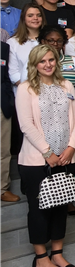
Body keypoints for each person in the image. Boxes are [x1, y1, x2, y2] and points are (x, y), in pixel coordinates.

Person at [16, 44, 75, 267]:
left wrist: (71, 147)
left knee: (61, 206)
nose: (48, 64)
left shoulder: (66, 84)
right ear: (34, 64)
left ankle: (58, 254)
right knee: (39, 209)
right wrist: (47, 152)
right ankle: (41, 258)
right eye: (42, 61)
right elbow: (26, 125)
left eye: (51, 60)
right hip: (36, 161)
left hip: (66, 158)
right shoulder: (25, 88)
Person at [39, 25, 75, 214]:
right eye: (50, 40)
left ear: (64, 43)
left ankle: (67, 198)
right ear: (43, 41)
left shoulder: (72, 61)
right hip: (45, 115)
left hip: (71, 112)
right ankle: (46, 196)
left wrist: (66, 102)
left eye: (59, 40)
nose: (55, 43)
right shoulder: (36, 61)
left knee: (70, 155)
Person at [9, 4, 45, 93]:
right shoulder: (13, 42)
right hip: (24, 92)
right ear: (23, 19)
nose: (35, 18)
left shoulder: (50, 40)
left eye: (38, 15)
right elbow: (13, 74)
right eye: (30, 15)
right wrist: (32, 89)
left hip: (49, 91)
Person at [0, 38, 16, 203]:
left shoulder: (3, 48)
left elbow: (5, 77)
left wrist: (9, 101)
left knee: (4, 150)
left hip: (2, 105)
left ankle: (2, 188)